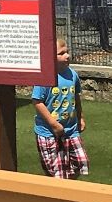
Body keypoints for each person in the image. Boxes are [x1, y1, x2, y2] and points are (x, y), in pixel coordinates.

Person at [32, 36, 88, 179]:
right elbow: (37, 102)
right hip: (48, 132)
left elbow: (76, 98)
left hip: (71, 130)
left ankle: (68, 184)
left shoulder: (72, 75)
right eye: (61, 53)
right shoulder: (45, 77)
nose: (67, 56)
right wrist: (54, 124)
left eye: (67, 52)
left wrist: (80, 117)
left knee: (81, 162)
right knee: (55, 171)